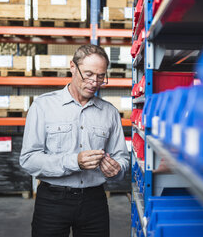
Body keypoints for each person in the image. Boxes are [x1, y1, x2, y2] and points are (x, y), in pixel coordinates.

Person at [20, 44, 129, 237]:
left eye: (101, 76)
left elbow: (122, 158)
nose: (94, 82)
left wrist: (117, 169)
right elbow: (29, 159)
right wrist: (74, 161)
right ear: (72, 66)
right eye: (88, 74)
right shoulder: (43, 106)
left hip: (94, 200)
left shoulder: (109, 112)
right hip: (52, 201)